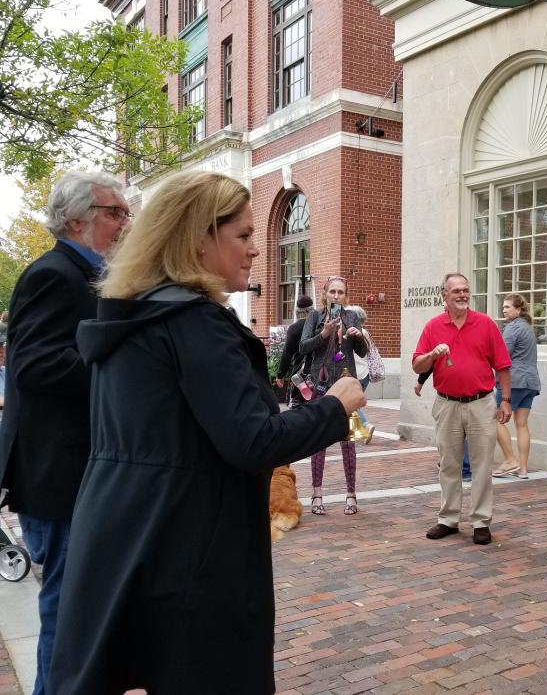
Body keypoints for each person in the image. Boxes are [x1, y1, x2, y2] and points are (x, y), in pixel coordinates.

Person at [45, 171, 365, 694]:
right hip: (192, 547)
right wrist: (334, 407)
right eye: (241, 235)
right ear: (198, 237)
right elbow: (252, 441)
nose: (256, 250)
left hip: (125, 532)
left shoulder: (132, 318)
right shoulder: (195, 324)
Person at [0, 171, 129, 695]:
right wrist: (116, 368)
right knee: (68, 604)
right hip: (59, 475)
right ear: (77, 219)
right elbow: (31, 365)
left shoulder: (90, 273)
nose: (125, 221)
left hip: (75, 469)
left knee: (80, 601)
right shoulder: (54, 273)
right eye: (113, 212)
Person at [412, 272, 511, 545]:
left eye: (466, 290)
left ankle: (481, 521)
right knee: (449, 464)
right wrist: (432, 355)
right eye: (456, 291)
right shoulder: (433, 327)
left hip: (481, 403)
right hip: (447, 404)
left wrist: (505, 400)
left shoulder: (485, 324)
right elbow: (417, 365)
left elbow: (502, 365)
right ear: (444, 295)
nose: (463, 295)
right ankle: (448, 519)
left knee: (481, 466)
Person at [299, 276, 368, 516]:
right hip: (322, 385)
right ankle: (317, 494)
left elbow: (363, 351)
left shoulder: (352, 317)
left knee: (348, 442)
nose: (336, 296)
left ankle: (351, 494)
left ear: (345, 295)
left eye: (340, 292)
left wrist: (358, 337)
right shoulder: (315, 317)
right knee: (318, 441)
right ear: (325, 293)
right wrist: (324, 334)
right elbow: (303, 346)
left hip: (346, 385)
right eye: (333, 292)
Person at [493, 293, 541, 479]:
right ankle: (522, 469)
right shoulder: (528, 328)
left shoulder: (512, 328)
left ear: (519, 309)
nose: (504, 310)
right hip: (531, 381)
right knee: (521, 425)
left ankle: (510, 460)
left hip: (515, 381)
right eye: (503, 307)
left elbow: (502, 356)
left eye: (507, 307)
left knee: (493, 419)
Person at [415, 371, 471, 481]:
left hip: (467, 395)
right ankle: (459, 466)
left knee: (458, 433)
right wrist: (420, 381)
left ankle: (464, 468)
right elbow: (432, 361)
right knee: (451, 434)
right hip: (449, 396)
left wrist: (420, 382)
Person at [274, 295, 314, 407]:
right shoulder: (319, 325)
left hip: (300, 374)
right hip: (319, 372)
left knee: (298, 406)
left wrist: (280, 375)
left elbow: (287, 353)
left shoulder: (294, 328)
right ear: (312, 309)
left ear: (297, 311)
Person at [346, 305, 376, 436]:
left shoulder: (353, 333)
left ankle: (365, 426)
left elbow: (344, 352)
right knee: (352, 405)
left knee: (351, 404)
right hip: (365, 374)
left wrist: (333, 359)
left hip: (355, 374)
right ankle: (355, 432)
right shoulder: (365, 332)